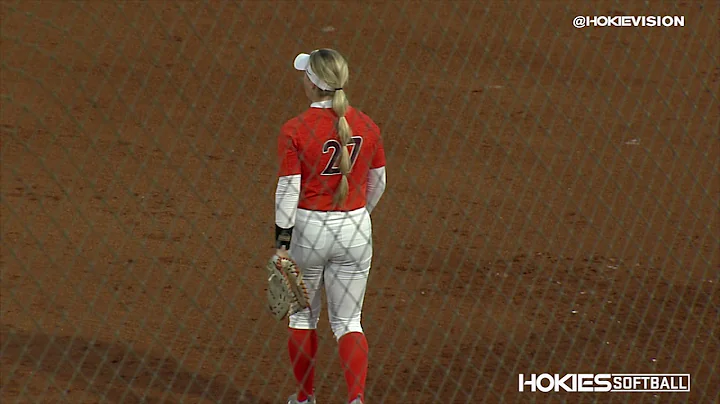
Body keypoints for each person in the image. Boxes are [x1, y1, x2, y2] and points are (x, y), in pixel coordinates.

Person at [273, 48, 387, 404]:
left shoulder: (294, 129)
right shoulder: (367, 126)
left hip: (308, 231)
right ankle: (355, 399)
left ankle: (305, 399)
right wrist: (356, 214)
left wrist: (282, 242)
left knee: (303, 317)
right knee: (349, 321)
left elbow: (288, 190)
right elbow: (378, 181)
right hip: (355, 230)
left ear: (311, 82)